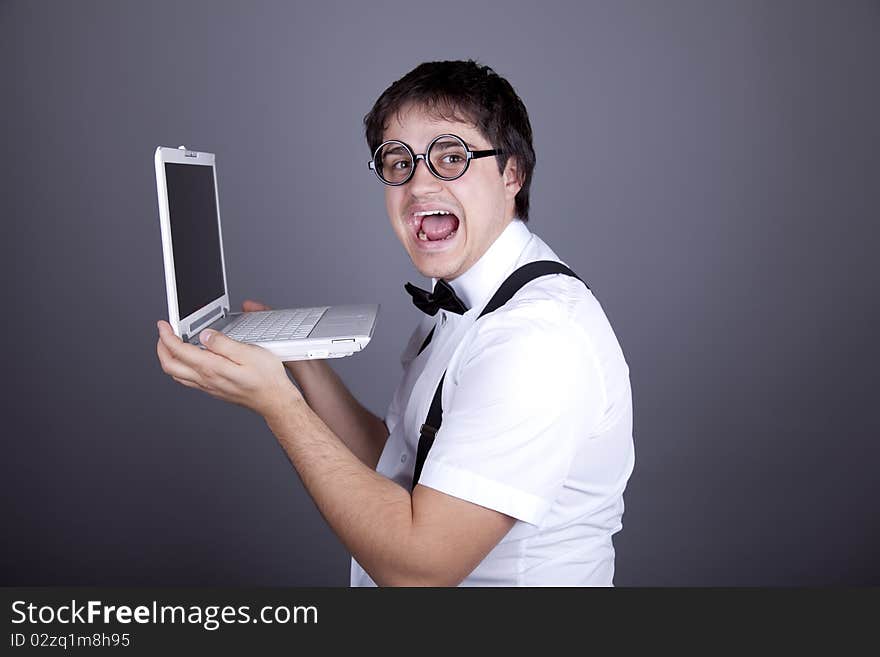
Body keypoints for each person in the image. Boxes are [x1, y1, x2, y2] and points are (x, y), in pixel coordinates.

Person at [156, 60, 635, 586]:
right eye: (397, 162)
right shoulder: (466, 296)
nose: (418, 185)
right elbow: (399, 461)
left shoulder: (535, 340)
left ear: (512, 175)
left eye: (451, 157)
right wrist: (296, 364)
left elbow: (420, 570)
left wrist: (277, 404)